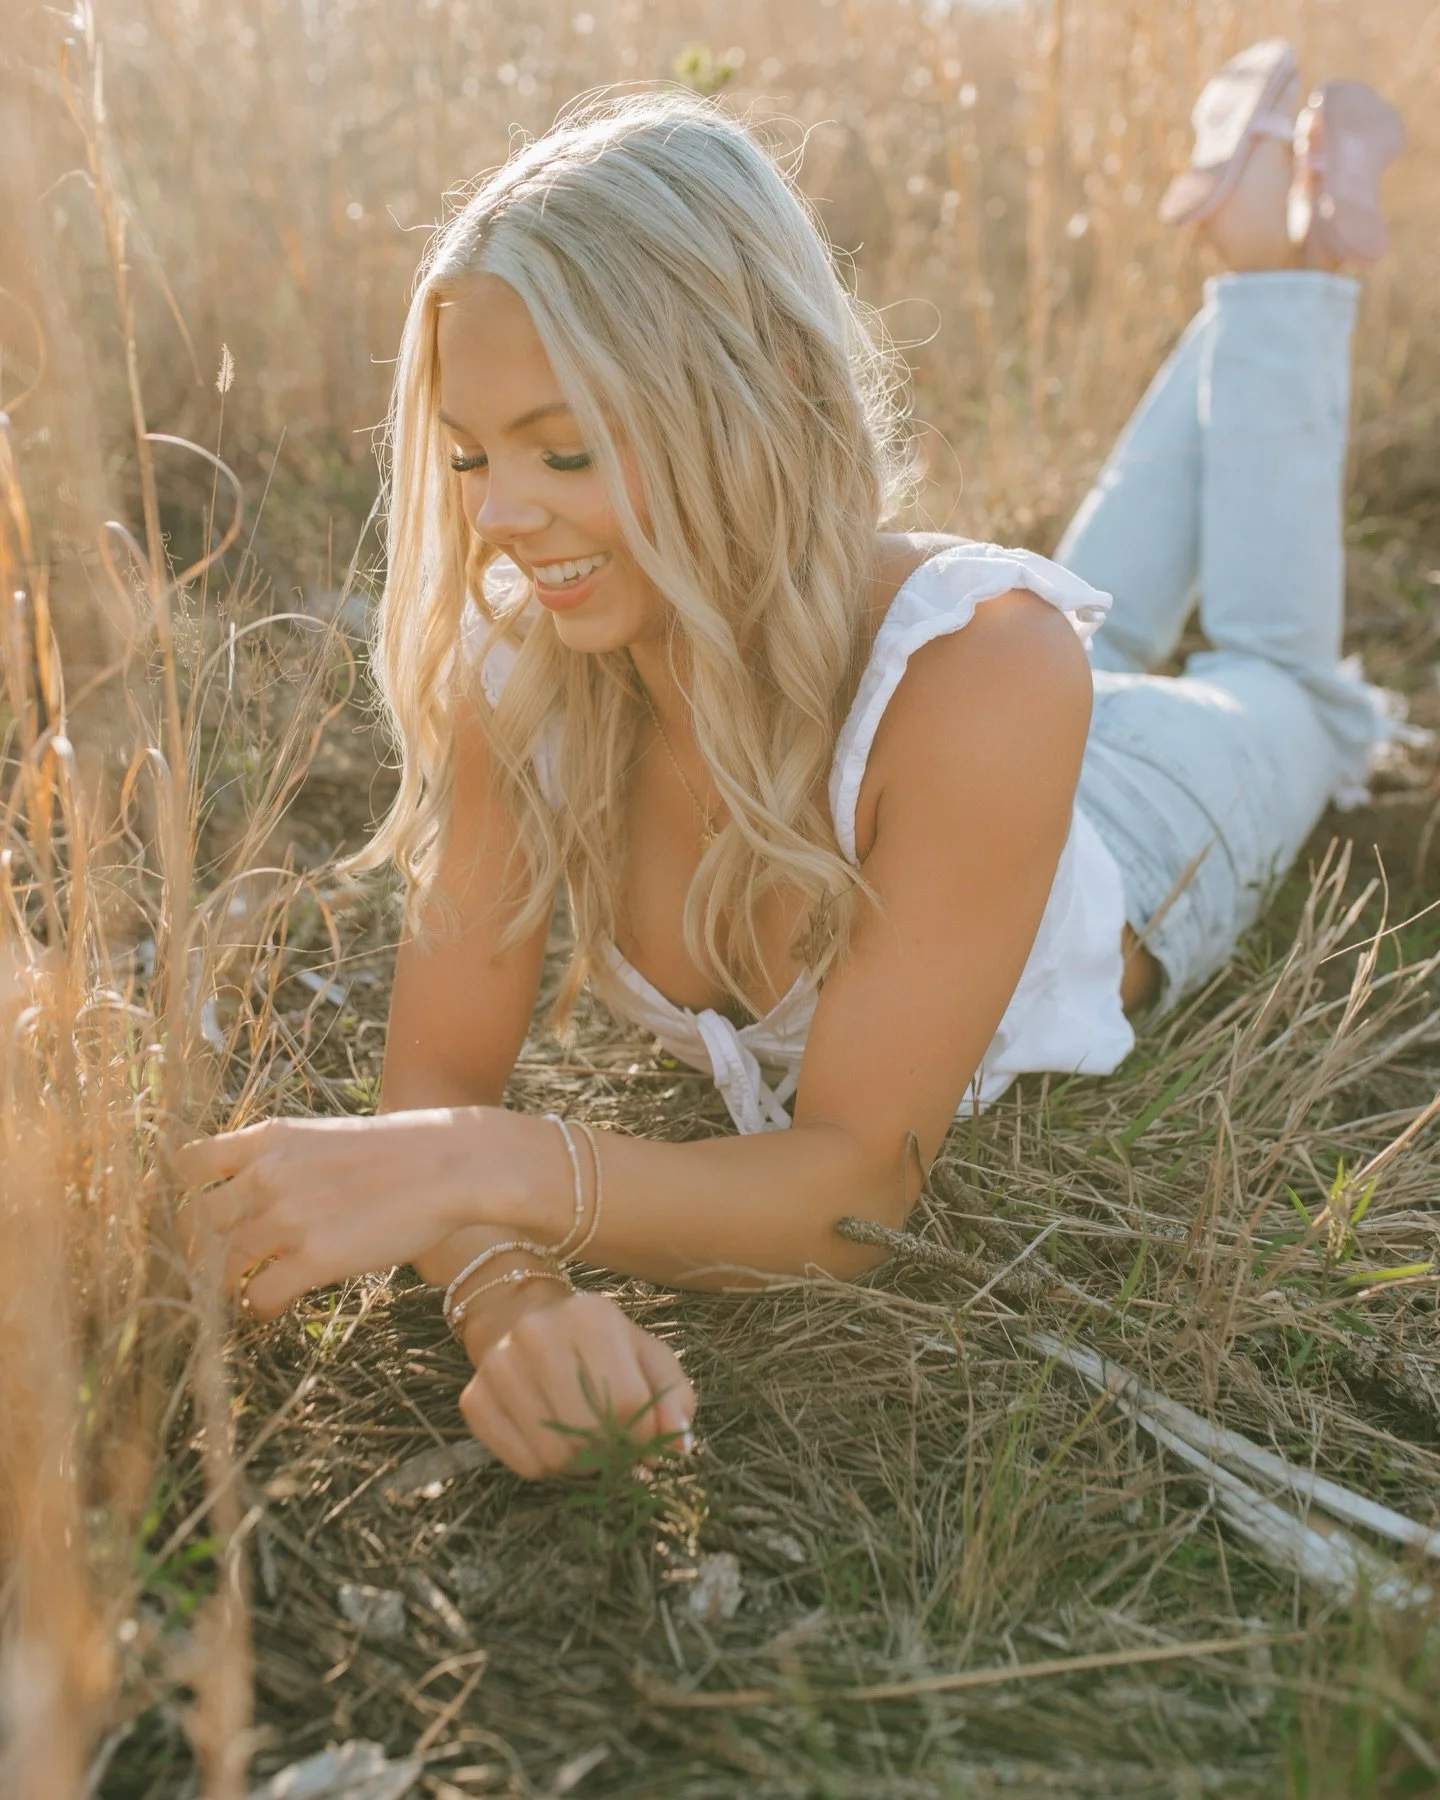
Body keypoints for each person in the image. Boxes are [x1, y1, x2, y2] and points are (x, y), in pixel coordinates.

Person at [174, 49, 1404, 1480]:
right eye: (467, 458)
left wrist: (491, 1167)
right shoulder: (521, 675)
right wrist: (510, 1298)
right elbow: (439, 1082)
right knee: (1059, 602)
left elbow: (851, 1188)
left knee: (1282, 681)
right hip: (945, 735)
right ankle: (1248, 269)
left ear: (746, 402)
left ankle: (1277, 268)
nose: (503, 516)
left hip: (1123, 816)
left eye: (564, 453)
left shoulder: (989, 668)